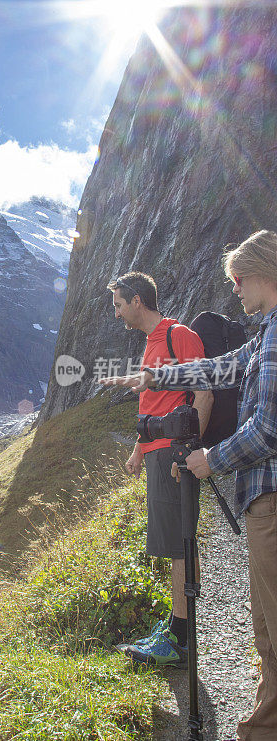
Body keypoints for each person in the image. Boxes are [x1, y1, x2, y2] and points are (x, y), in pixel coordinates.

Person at [101, 230, 277, 740]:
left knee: (274, 623)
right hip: (259, 496)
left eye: (238, 281)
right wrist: (155, 380)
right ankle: (263, 727)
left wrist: (210, 459)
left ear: (262, 272)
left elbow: (268, 429)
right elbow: (222, 367)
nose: (235, 292)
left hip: (270, 495)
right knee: (264, 627)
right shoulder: (264, 335)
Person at [106, 272, 213, 668]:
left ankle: (181, 641)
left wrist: (189, 450)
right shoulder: (152, 344)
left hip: (174, 453)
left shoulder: (178, 335)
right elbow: (155, 406)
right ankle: (176, 628)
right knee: (172, 542)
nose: (116, 313)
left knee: (177, 543)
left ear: (137, 300)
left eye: (118, 304)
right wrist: (138, 450)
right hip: (157, 451)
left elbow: (204, 390)